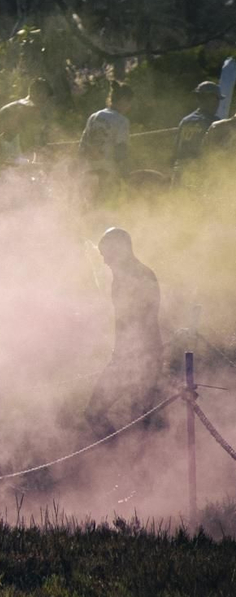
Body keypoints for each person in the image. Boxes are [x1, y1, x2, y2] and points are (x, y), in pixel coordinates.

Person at [85, 227, 163, 432]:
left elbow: (145, 319)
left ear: (121, 249)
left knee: (140, 420)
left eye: (107, 254)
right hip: (124, 358)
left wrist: (138, 358)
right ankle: (116, 453)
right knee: (95, 412)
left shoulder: (142, 276)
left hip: (143, 358)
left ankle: (138, 459)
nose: (105, 261)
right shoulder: (119, 279)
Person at [0, 78, 55, 170]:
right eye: (44, 96)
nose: (45, 102)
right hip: (6, 164)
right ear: (35, 94)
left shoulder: (21, 108)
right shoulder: (25, 108)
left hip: (3, 161)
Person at [80, 83, 133, 187]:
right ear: (123, 100)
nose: (129, 106)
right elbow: (120, 150)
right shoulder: (121, 121)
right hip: (106, 171)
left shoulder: (94, 116)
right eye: (129, 102)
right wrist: (124, 172)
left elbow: (83, 145)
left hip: (88, 171)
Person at [172, 80, 223, 177]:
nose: (217, 103)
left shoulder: (185, 121)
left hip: (179, 172)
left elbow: (176, 148)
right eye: (216, 99)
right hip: (199, 174)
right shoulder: (214, 123)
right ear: (205, 98)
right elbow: (218, 153)